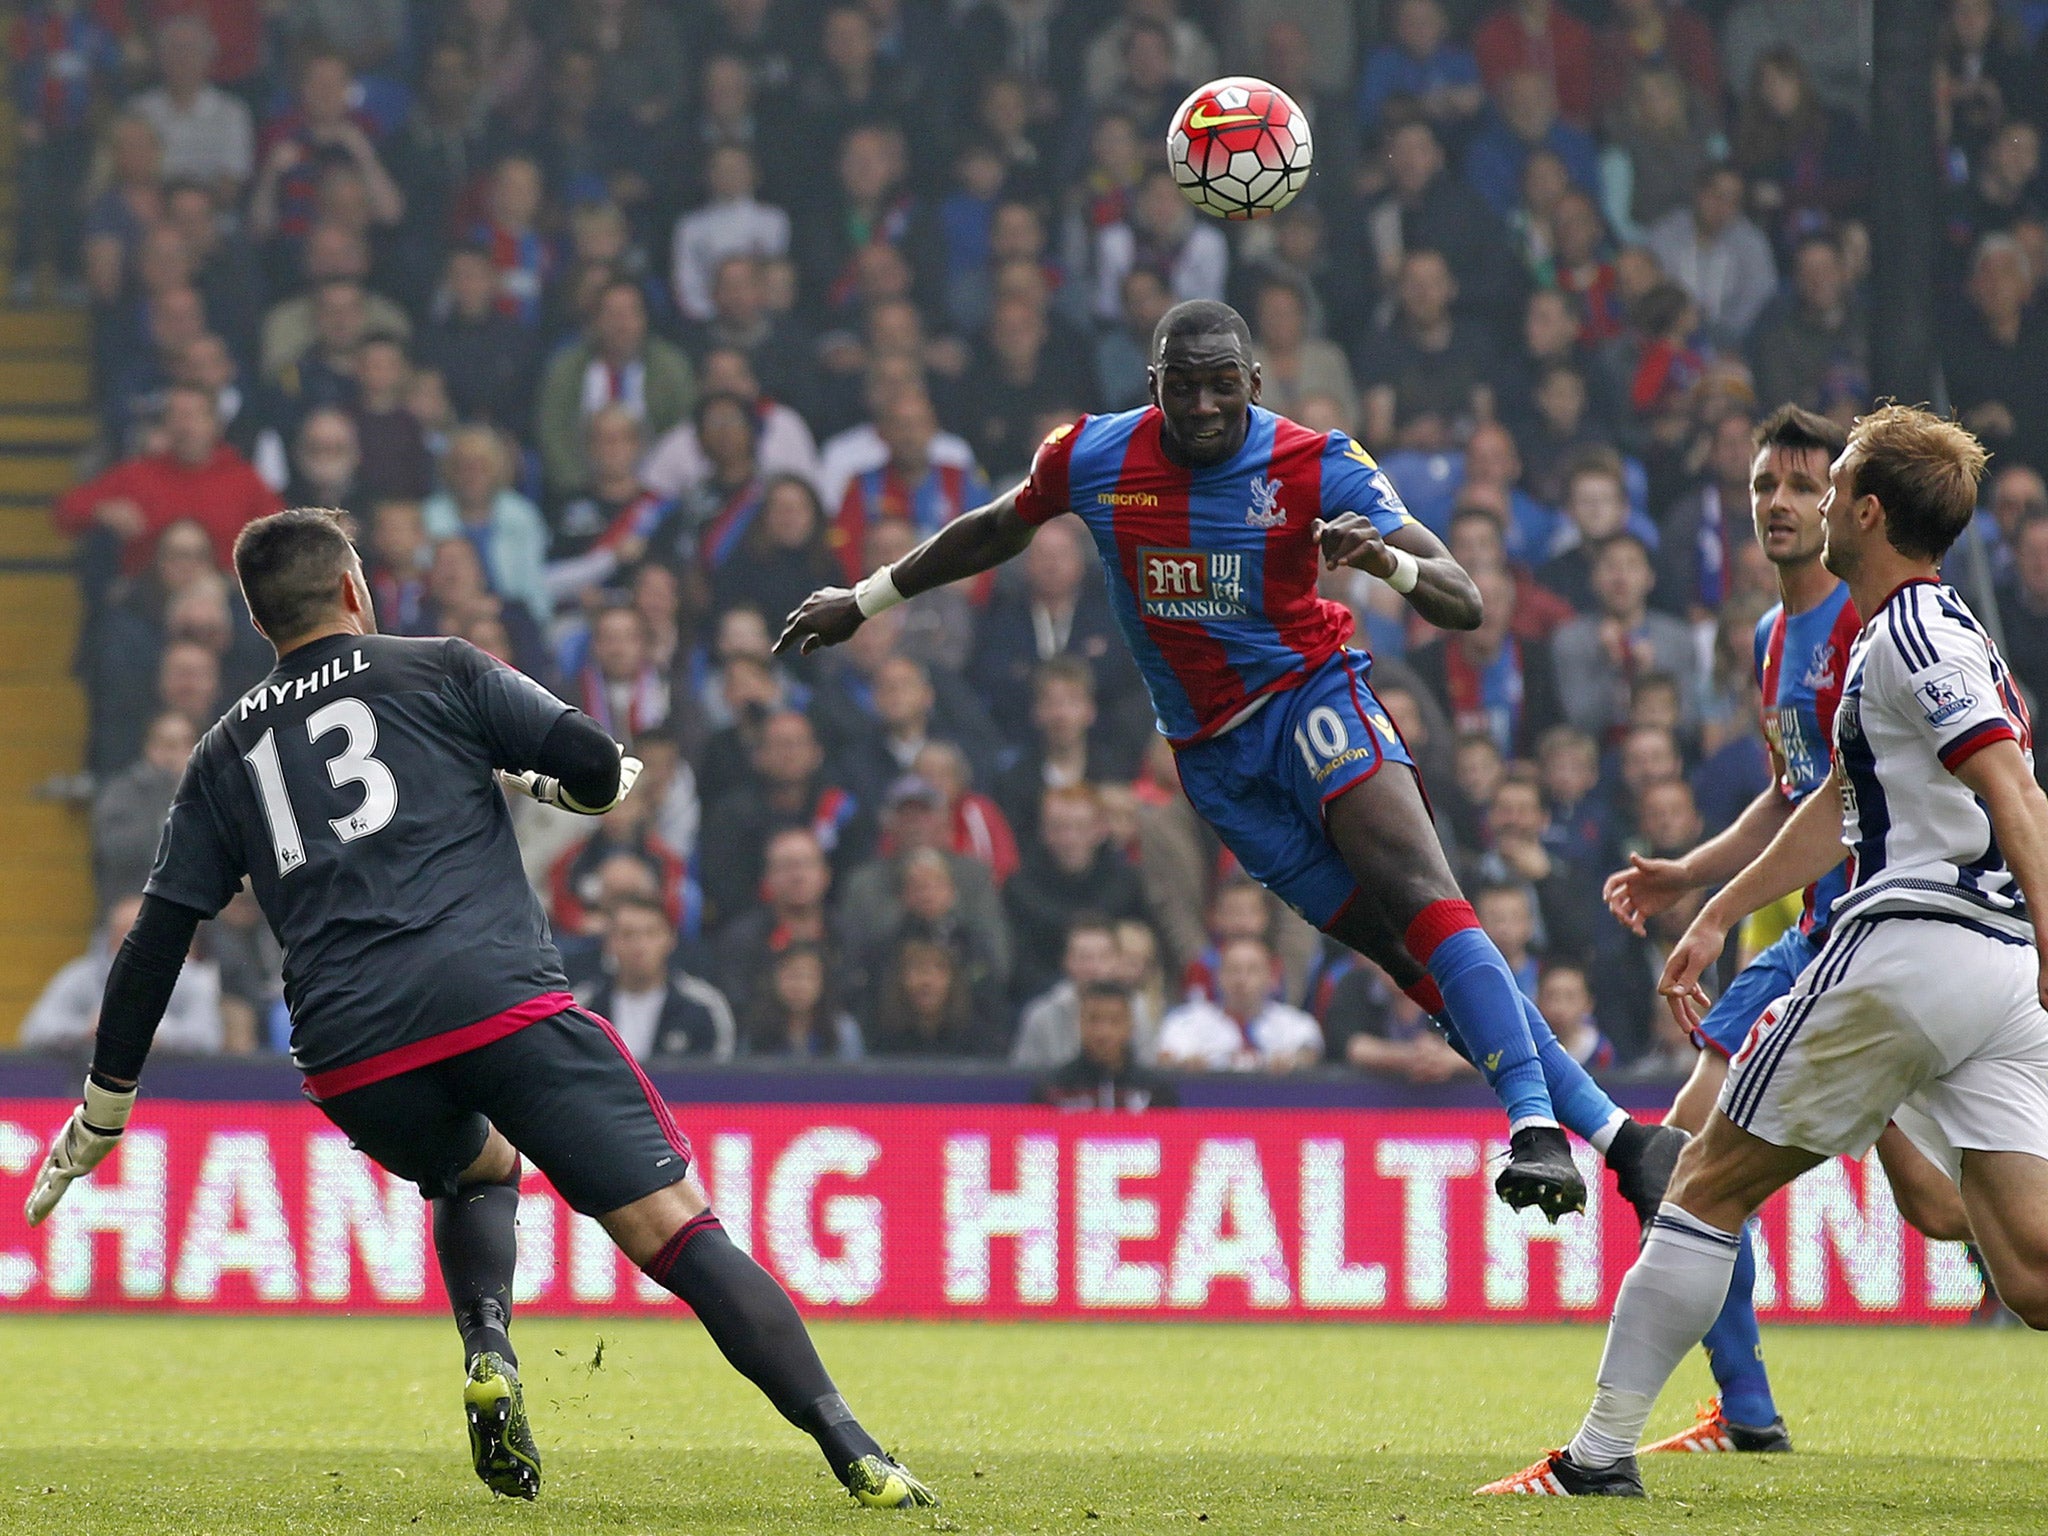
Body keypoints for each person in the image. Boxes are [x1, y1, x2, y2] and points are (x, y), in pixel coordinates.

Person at [23, 509, 934, 1511]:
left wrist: (103, 1109)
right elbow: (592, 759)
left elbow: (154, 939)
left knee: (476, 1167)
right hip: (495, 1003)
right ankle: (858, 1453)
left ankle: (489, 1348)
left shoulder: (221, 752)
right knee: (674, 1232)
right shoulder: (437, 667)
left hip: (350, 1055)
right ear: (352, 591)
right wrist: (558, 782)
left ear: (258, 622)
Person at [778, 297, 1687, 1220]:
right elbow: (997, 526)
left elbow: (1463, 600)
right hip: (1216, 767)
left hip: (1310, 702)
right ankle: (1624, 1140)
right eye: (1185, 385)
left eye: (1224, 385)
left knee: (1424, 895)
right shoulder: (1092, 456)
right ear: (1154, 387)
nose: (1206, 405)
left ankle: (1534, 1128)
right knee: (1409, 958)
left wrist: (1384, 562)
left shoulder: (1315, 460)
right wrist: (866, 598)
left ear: (1254, 383)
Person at [1483, 404, 2048, 1497]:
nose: (1816, 501)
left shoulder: (1910, 633)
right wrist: (1702, 896)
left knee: (1699, 1183)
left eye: (1831, 485)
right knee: (2024, 1267)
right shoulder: (1928, 633)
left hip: (1909, 950)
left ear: (1869, 511)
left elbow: (2010, 789)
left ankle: (1597, 1458)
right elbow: (1832, 800)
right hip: (1990, 980)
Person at [1591, 404, 1972, 1457]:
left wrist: (1712, 912)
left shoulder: (1869, 621)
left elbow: (1859, 793)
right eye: (1763, 486)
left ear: (1849, 507)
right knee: (1931, 1208)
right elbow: (1791, 793)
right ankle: (1744, 1410)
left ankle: (1740, 1409)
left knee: (1685, 1159)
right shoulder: (1771, 637)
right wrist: (1688, 872)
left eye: (1800, 487)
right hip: (1821, 929)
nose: (1777, 505)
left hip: (1870, 929)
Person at [20, 892, 222, 1054]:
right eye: (127, 934)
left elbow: (208, 1038)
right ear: (112, 936)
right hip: (89, 1081)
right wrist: (89, 1030)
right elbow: (35, 1030)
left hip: (170, 1088)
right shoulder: (79, 976)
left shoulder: (192, 979)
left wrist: (154, 1032)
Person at [576, 894, 735, 1062]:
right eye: (627, 934)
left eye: (651, 933)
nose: (640, 945)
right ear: (609, 943)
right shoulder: (582, 1009)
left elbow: (721, 1076)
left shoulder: (703, 1006)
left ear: (671, 939)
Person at [1156, 934, 1322, 1071]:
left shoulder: (1296, 1022)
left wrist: (1295, 1062)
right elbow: (1166, 1057)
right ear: (1218, 976)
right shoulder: (1186, 1021)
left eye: (1252, 970)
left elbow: (1309, 1053)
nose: (1241, 979)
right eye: (1233, 969)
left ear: (1272, 977)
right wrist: (1184, 1064)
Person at [1032, 981, 1179, 1110]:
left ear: (1130, 1025)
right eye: (1094, 1020)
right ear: (1079, 1023)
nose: (1103, 1032)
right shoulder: (1053, 1090)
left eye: (1114, 1021)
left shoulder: (1155, 1091)